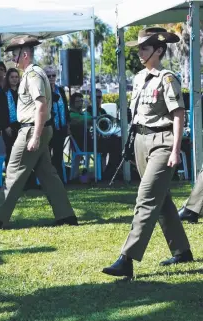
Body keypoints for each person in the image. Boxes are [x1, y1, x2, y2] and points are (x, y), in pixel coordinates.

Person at [102, 27, 194, 278]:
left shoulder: (167, 78)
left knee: (146, 199)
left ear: (159, 50)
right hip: (141, 141)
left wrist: (175, 150)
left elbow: (178, 115)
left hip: (163, 142)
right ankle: (182, 251)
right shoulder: (140, 77)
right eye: (140, 48)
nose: (140, 52)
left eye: (144, 48)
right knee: (161, 200)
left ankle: (126, 258)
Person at [0, 36, 78, 230]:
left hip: (31, 129)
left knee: (13, 172)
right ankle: (66, 215)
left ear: (25, 54)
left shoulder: (33, 75)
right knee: (47, 174)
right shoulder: (35, 73)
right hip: (40, 128)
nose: (13, 59)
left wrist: (35, 136)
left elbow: (41, 104)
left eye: (15, 55)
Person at [44, 66, 70, 178]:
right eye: (48, 75)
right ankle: (48, 179)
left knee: (58, 155)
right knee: (47, 156)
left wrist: (68, 125)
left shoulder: (60, 90)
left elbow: (65, 107)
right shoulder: (43, 90)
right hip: (48, 127)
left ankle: (59, 179)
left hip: (61, 127)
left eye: (53, 75)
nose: (51, 77)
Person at [0, 68, 20, 164]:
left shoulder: (22, 92)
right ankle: (10, 176)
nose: (14, 79)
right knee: (11, 153)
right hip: (9, 127)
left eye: (16, 77)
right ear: (8, 79)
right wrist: (6, 127)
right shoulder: (2, 94)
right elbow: (0, 112)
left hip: (22, 126)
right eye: (12, 77)